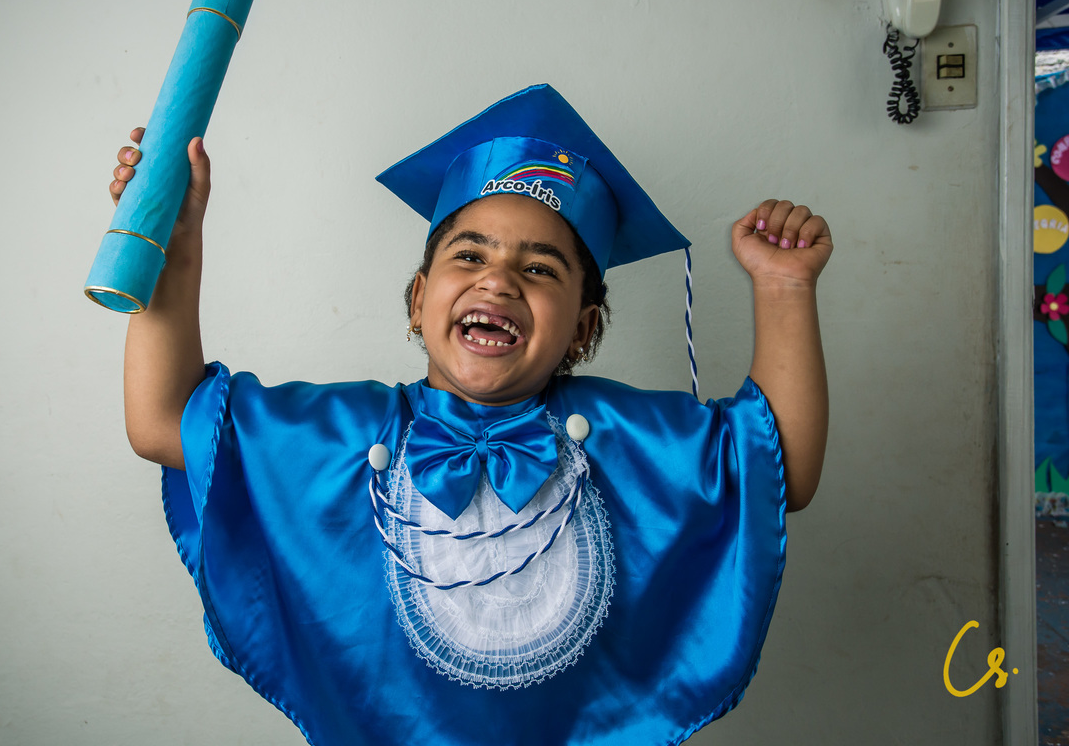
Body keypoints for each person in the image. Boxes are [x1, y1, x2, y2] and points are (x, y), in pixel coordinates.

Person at [110, 84, 831, 745]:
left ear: (583, 329)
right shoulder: (348, 435)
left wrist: (783, 287)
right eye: (469, 255)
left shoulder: (623, 438)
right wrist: (173, 247)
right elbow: (164, 419)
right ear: (419, 299)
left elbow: (780, 465)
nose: (499, 280)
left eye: (540, 268)